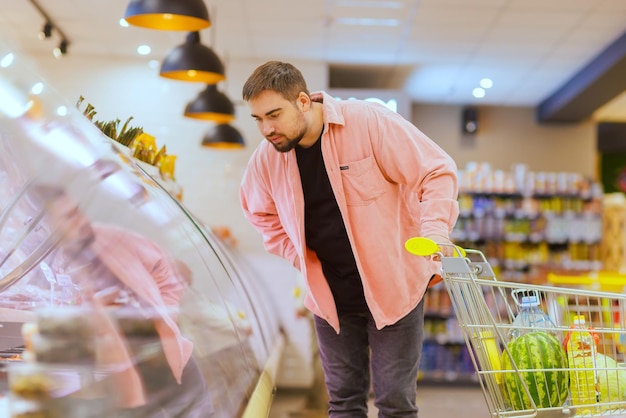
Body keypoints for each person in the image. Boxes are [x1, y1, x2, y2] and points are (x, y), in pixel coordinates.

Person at [239, 61, 460, 418]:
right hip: (330, 299)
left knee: (395, 404)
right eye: (258, 119)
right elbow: (258, 213)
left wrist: (434, 232)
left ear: (303, 101)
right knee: (343, 403)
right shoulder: (267, 160)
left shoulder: (368, 122)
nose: (267, 129)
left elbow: (437, 170)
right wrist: (299, 257)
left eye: (274, 114)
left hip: (395, 289)